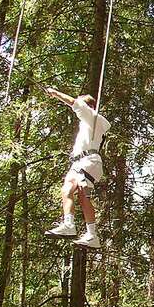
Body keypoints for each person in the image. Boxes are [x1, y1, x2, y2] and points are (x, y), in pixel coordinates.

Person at [44, 88, 111, 249]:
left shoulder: (94, 118)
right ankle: (69, 224)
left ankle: (92, 235)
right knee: (66, 190)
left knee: (82, 195)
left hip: (89, 161)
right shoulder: (87, 124)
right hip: (79, 162)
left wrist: (56, 93)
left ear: (88, 107)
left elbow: (75, 104)